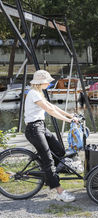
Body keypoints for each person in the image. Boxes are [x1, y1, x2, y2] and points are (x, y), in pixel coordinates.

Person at [24, 70, 78, 202]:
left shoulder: (39, 93)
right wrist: (68, 121)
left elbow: (52, 106)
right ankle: (60, 192)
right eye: (47, 81)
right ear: (41, 82)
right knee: (48, 161)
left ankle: (48, 177)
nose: (49, 83)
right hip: (34, 129)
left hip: (41, 127)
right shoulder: (32, 93)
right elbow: (50, 111)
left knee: (59, 150)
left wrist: (70, 115)